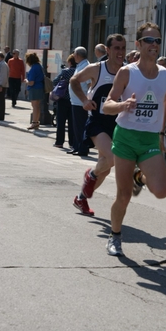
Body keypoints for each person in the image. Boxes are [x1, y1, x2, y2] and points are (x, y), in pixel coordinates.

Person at [102, 22, 166, 256]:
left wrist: (161, 134)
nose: (154, 45)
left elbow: (163, 104)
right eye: (150, 41)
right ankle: (115, 236)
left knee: (161, 190)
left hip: (150, 139)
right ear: (139, 44)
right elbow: (107, 105)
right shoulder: (127, 72)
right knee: (123, 196)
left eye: (158, 41)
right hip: (126, 138)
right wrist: (124, 104)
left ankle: (140, 176)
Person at [70, 33, 126, 216]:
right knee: (110, 159)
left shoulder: (128, 72)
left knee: (106, 167)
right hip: (97, 121)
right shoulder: (97, 69)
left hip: (117, 123)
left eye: (123, 48)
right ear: (108, 50)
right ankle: (91, 176)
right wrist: (84, 99)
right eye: (116, 48)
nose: (120, 52)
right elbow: (74, 80)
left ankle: (81, 198)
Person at [68, 47, 90, 156]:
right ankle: (76, 146)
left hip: (81, 102)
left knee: (81, 126)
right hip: (76, 101)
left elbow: (90, 84)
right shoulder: (80, 65)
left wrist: (88, 99)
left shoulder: (86, 66)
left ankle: (82, 148)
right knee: (76, 126)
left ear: (77, 55)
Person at [52, 54, 76, 148]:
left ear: (70, 62)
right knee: (72, 122)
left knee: (61, 122)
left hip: (63, 98)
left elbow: (55, 81)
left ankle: (59, 142)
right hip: (74, 99)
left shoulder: (66, 71)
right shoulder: (79, 71)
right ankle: (72, 142)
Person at [24, 52, 44, 130]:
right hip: (40, 87)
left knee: (35, 106)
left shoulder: (33, 68)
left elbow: (31, 82)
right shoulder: (39, 66)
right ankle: (36, 121)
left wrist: (26, 81)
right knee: (37, 106)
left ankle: (34, 122)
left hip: (34, 88)